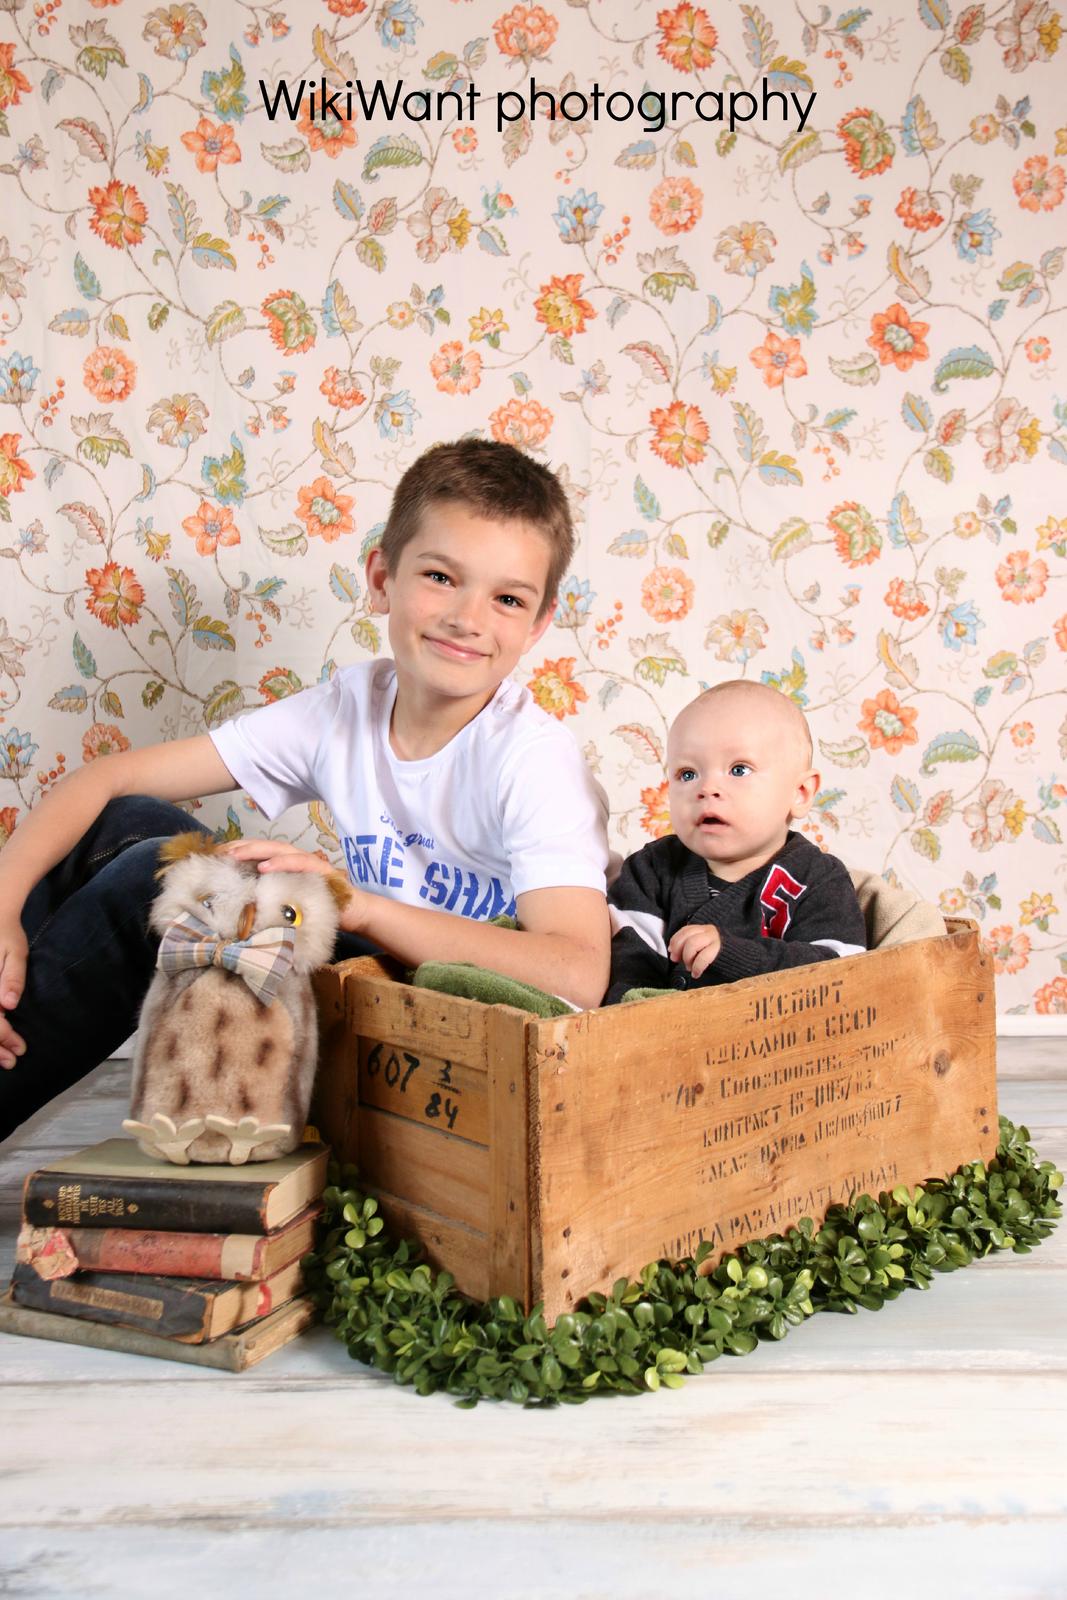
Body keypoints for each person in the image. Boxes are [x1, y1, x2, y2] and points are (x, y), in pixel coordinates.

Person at [0, 440, 611, 1141]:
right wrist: (4, 905)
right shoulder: (348, 707)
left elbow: (575, 974)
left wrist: (361, 906)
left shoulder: (532, 758)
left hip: (446, 1023)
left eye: (506, 599)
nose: (468, 617)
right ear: (381, 577)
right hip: (367, 970)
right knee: (129, 821)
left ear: (537, 624)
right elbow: (110, 776)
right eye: (441, 577)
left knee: (164, 882)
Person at [604, 679, 866, 1005]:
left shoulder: (817, 879)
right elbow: (628, 970)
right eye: (687, 774)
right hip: (664, 1029)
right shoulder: (651, 870)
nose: (707, 788)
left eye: (739, 770)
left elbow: (843, 974)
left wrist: (733, 955)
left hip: (777, 1031)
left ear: (799, 793)